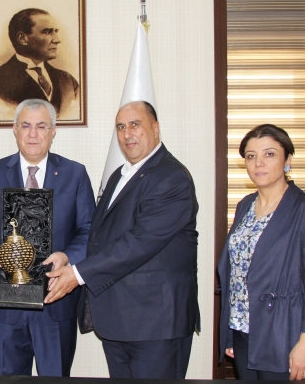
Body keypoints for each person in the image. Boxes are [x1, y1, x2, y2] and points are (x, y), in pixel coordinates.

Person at [45, 100, 200, 379]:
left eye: (135, 125)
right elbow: (100, 236)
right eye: (120, 127)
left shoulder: (172, 177)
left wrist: (77, 274)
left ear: (155, 128)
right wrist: (67, 256)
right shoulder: (120, 175)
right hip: (119, 321)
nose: (127, 134)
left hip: (155, 326)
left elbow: (139, 243)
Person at [0, 98, 95, 376]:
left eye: (41, 126)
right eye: (26, 126)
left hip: (56, 302)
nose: (33, 134)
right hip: (7, 305)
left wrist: (67, 257)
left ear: (53, 131)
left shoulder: (75, 174)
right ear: (15, 130)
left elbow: (89, 230)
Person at [217, 124, 305, 381]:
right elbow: (236, 272)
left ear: (287, 160)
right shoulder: (245, 205)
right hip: (243, 331)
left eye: (269, 154)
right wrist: (229, 332)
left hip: (286, 333)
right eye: (251, 156)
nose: (259, 163)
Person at [0, 8, 79, 120]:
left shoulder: (68, 81)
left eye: (55, 31)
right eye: (47, 32)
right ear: (22, 38)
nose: (57, 40)